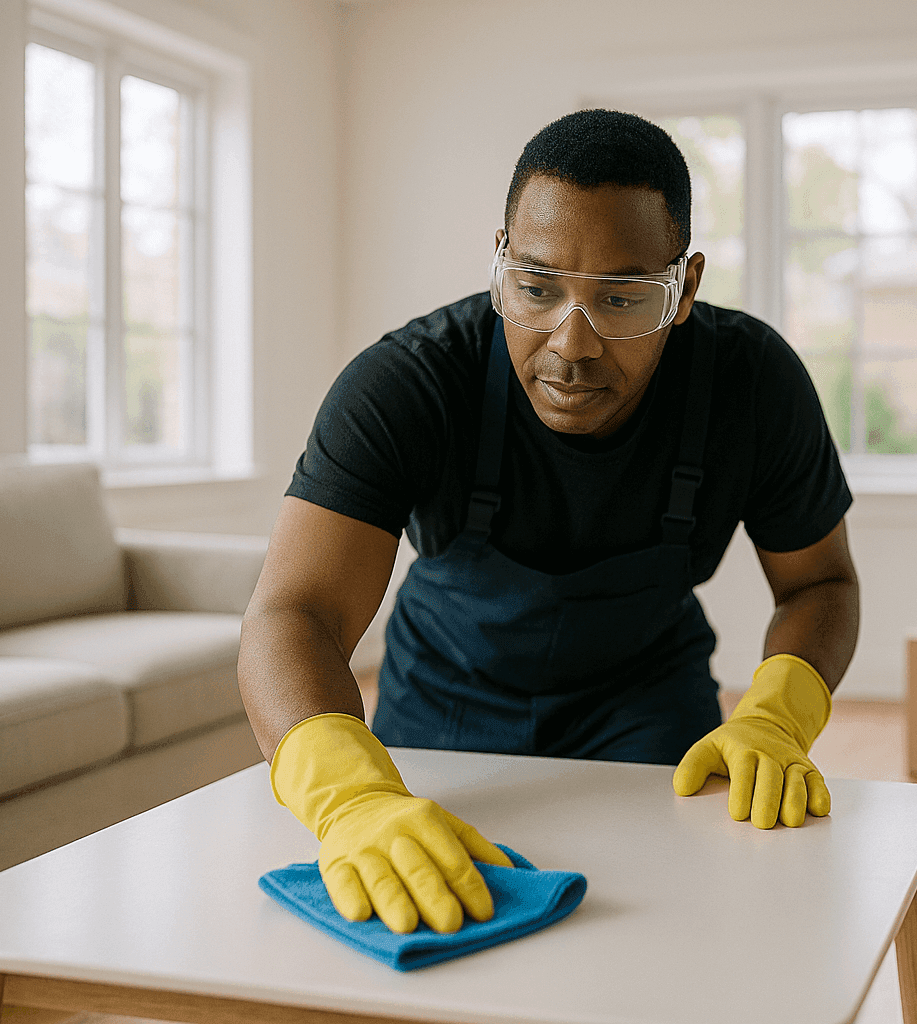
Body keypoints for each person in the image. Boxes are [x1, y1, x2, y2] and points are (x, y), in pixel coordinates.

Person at [237, 109, 860, 938]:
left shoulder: (752, 383)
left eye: (623, 298)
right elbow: (292, 613)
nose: (572, 344)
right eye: (536, 289)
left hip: (648, 708)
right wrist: (348, 795)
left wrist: (778, 714)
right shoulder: (409, 383)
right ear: (502, 261)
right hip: (440, 710)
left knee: (675, 931)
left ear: (686, 289)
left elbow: (821, 581)